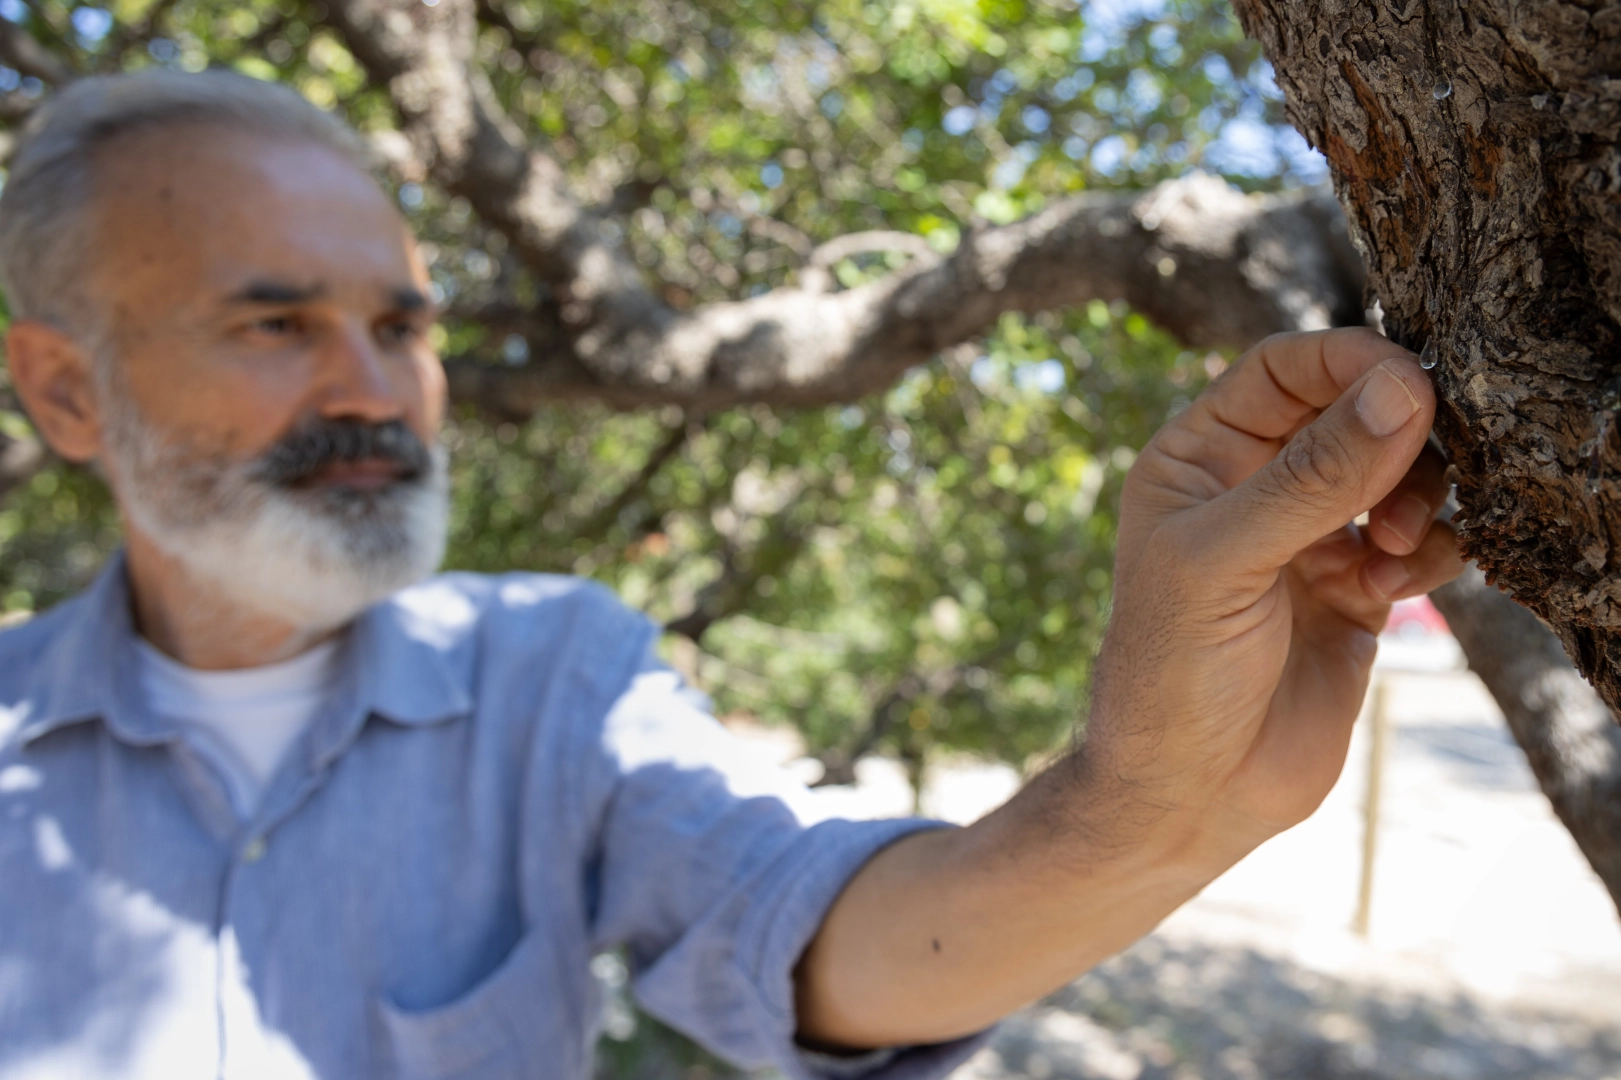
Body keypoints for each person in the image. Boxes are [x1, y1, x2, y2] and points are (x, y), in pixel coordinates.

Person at [0, 70, 1463, 1080]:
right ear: (66, 394)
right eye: (277, 324)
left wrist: (1149, 810)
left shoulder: (549, 678)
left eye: (403, 324)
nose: (376, 388)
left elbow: (812, 940)